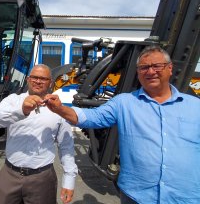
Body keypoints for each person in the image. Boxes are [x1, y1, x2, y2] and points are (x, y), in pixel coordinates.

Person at [44, 45, 200, 204]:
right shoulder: (124, 103)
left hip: (185, 197)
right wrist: (60, 108)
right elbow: (91, 117)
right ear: (138, 73)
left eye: (157, 66)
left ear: (170, 68)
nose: (151, 71)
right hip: (137, 197)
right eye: (144, 67)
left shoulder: (195, 107)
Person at [0, 64, 78, 204]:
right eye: (34, 77)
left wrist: (69, 180)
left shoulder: (58, 108)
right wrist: (21, 110)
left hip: (42, 179)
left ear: (50, 83)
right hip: (10, 174)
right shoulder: (13, 100)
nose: (38, 81)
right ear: (28, 79)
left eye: (43, 78)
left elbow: (66, 146)